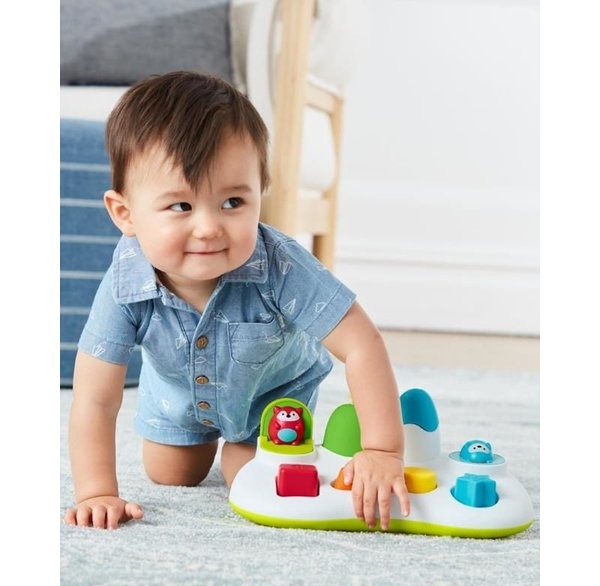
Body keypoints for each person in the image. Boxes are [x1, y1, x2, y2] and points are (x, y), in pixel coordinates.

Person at [64, 71, 410, 531]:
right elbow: (94, 398)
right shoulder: (125, 283)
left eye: (232, 203)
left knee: (249, 479)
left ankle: (246, 445)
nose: (209, 228)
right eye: (181, 206)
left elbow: (361, 343)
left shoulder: (281, 266)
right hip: (178, 398)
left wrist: (383, 449)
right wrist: (96, 492)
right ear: (125, 214)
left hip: (270, 398)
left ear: (259, 194)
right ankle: (194, 438)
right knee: (170, 474)